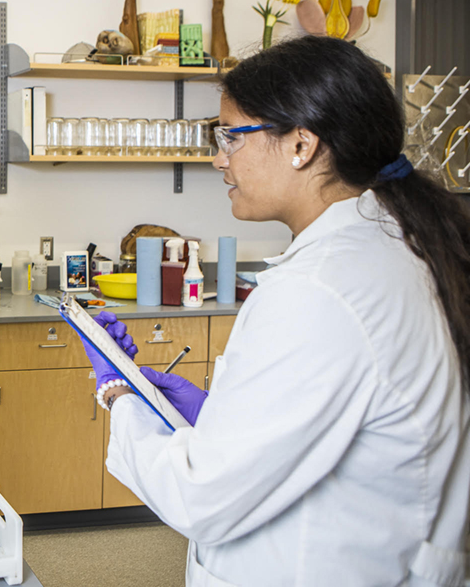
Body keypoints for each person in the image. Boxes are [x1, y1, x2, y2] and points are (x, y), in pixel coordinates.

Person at [78, 36, 470, 586]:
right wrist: (217, 418)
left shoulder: (319, 288)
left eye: (230, 136)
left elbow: (201, 494)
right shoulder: (395, 246)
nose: (219, 158)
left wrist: (120, 395)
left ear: (301, 145)